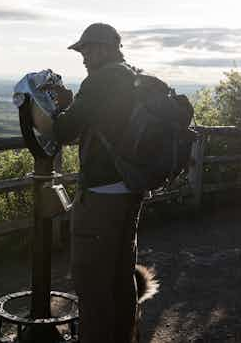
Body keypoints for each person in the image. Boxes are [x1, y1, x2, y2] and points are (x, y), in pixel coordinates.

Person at [51, 23, 153, 342]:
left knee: (92, 282)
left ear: (108, 48)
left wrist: (58, 107)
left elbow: (64, 132)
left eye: (89, 49)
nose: (84, 57)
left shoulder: (99, 81)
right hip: (131, 191)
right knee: (120, 278)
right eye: (82, 50)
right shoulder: (133, 76)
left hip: (101, 197)